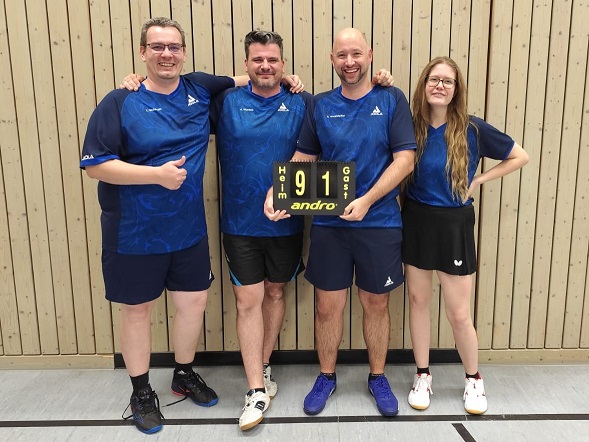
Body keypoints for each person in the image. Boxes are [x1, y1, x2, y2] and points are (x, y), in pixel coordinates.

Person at [79, 17, 301, 435]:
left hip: (188, 231)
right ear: (142, 52)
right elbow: (96, 165)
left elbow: (249, 77)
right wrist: (155, 175)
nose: (166, 54)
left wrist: (287, 79)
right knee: (137, 312)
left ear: (183, 52)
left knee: (193, 305)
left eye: (174, 47)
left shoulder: (199, 89)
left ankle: (183, 373)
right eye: (157, 47)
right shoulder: (119, 101)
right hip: (134, 231)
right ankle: (141, 391)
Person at [265, 28, 416, 417]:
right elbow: (304, 157)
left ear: (369, 55)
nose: (350, 62)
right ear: (332, 60)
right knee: (327, 306)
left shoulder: (391, 99)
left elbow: (405, 160)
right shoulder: (319, 105)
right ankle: (327, 376)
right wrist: (277, 191)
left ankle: (377, 377)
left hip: (379, 222)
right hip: (330, 226)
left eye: (356, 54)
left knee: (375, 303)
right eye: (342, 55)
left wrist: (367, 200)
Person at [402, 56, 529, 415]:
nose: (440, 86)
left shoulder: (473, 129)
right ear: (424, 85)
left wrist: (478, 180)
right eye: (434, 79)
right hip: (416, 219)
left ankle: (474, 379)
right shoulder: (410, 127)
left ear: (456, 89)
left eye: (448, 81)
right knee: (418, 302)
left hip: (454, 224)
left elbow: (519, 156)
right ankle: (423, 375)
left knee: (459, 313)